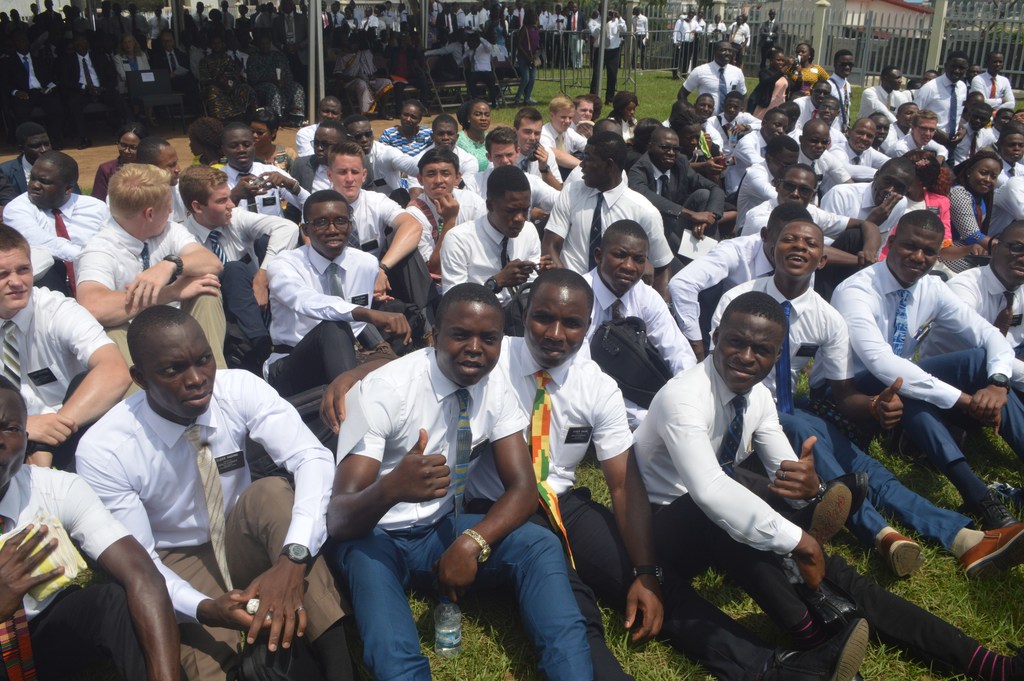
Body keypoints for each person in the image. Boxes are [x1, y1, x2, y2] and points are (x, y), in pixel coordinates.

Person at [714, 216, 1024, 577]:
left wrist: (874, 407)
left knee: (861, 463)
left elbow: (846, 395)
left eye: (811, 244)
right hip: (743, 414)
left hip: (794, 407)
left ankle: (962, 537)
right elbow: (720, 371)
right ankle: (880, 533)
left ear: (823, 259)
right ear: (771, 247)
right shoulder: (737, 301)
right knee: (803, 430)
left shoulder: (825, 316)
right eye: (790, 240)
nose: (799, 248)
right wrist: (966, 402)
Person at [327, 282, 593, 681]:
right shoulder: (386, 391)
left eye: (488, 338)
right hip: (374, 535)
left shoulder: (494, 386)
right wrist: (390, 489)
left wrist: (472, 543)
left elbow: (523, 488)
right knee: (388, 635)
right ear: (434, 335)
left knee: (538, 544)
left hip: (440, 527)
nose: (475, 348)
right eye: (460, 334)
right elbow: (339, 519)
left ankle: (571, 671)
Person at [76, 306, 353, 681]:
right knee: (207, 667)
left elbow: (312, 458)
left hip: (241, 530)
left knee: (271, 494)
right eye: (173, 370)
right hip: (175, 556)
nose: (197, 379)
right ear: (139, 378)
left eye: (204, 359)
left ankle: (339, 666)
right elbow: (141, 564)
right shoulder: (105, 449)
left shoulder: (237, 387)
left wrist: (293, 560)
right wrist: (206, 609)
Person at [832, 209, 1024, 530]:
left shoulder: (932, 288)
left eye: (930, 251)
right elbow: (880, 361)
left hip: (897, 381)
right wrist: (964, 400)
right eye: (910, 246)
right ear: (890, 242)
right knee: (910, 384)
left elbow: (989, 335)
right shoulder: (857, 290)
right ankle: (979, 497)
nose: (919, 257)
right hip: (849, 389)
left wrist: (998, 383)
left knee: (979, 364)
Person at [0, 375, 182, 680]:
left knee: (114, 601)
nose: (1, 440)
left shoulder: (53, 487)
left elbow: (142, 573)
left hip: (42, 640)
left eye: (11, 428)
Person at [0, 223, 130, 471]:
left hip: (67, 435)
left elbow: (115, 371)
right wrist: (24, 428)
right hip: (5, 438)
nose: (16, 282)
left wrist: (49, 433)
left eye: (23, 270)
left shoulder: (56, 309)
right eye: (2, 274)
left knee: (85, 380)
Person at [75, 163, 227, 370]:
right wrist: (169, 293)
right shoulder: (99, 250)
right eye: (168, 204)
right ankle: (139, 398)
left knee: (206, 290)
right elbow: (92, 307)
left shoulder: (167, 230)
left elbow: (211, 262)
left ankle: (214, 378)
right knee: (111, 329)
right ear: (149, 214)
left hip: (177, 327)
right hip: (133, 340)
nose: (172, 209)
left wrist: (171, 264)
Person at [265, 189, 411, 396]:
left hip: (344, 357)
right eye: (321, 222)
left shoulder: (365, 263)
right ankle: (350, 410)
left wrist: (379, 340)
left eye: (341, 221)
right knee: (332, 325)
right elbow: (306, 302)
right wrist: (368, 313)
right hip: (292, 362)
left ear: (350, 226)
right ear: (306, 229)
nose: (333, 229)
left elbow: (358, 326)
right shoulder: (284, 265)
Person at [179, 164, 299, 369]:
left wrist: (263, 275)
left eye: (228, 197)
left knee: (263, 253)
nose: (231, 205)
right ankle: (262, 347)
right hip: (219, 316)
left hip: (257, 304)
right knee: (232, 271)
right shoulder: (180, 237)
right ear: (198, 207)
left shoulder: (234, 218)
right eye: (221, 201)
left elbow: (287, 228)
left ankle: (264, 345)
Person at [542, 131, 672, 295]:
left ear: (609, 165)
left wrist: (659, 308)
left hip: (619, 298)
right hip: (570, 294)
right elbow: (550, 245)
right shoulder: (571, 192)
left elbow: (662, 267)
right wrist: (567, 287)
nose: (581, 165)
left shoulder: (644, 212)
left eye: (588, 159)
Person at [324, 141, 434, 310]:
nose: (349, 179)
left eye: (355, 172)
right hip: (334, 280)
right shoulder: (317, 206)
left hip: (377, 279)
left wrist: (381, 268)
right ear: (329, 175)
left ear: (364, 175)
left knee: (406, 249)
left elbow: (413, 226)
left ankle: (426, 317)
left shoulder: (376, 201)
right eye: (342, 172)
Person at [3, 151, 109, 297]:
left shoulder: (96, 208)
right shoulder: (18, 208)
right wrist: (87, 258)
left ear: (68, 188)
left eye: (44, 181)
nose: (34, 185)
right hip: (48, 290)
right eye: (32, 178)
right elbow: (40, 241)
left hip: (96, 282)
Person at [441, 165, 549, 302]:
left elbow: (531, 292)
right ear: (490, 206)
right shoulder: (459, 240)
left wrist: (545, 279)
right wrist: (495, 283)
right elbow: (453, 304)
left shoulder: (529, 231)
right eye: (511, 211)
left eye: (525, 210)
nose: (520, 218)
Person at [627, 123, 725, 247]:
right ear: (650, 147)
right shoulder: (639, 169)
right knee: (679, 259)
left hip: (675, 221)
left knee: (704, 194)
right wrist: (691, 214)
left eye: (676, 149)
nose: (671, 153)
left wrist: (709, 217)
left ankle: (711, 252)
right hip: (649, 226)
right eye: (664, 147)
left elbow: (714, 187)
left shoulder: (680, 162)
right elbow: (644, 194)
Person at [821, 156, 915, 252]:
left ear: (906, 191)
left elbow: (881, 242)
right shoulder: (841, 195)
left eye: (899, 188)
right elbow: (822, 245)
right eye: (887, 181)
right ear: (876, 175)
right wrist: (871, 223)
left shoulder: (900, 203)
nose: (890, 190)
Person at [221, 122, 308, 219]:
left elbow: (309, 204)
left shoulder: (270, 171)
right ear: (223, 150)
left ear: (254, 146)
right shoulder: (217, 181)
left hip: (276, 233)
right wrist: (233, 197)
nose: (241, 150)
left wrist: (291, 185)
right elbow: (208, 220)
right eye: (233, 146)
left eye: (246, 145)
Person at [59, 35, 128, 150]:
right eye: (78, 43)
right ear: (74, 45)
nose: (81, 45)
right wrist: (84, 86)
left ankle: (129, 130)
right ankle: (84, 138)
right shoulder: (67, 60)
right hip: (81, 91)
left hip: (101, 89)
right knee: (73, 103)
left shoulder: (100, 57)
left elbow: (112, 77)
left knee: (117, 98)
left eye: (83, 42)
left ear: (88, 44)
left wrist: (102, 88)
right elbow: (64, 81)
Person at [3, 33, 64, 149]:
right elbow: (5, 83)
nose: (23, 43)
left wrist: (48, 88)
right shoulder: (8, 62)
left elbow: (50, 78)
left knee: (55, 108)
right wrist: (16, 92)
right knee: (21, 112)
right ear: (15, 44)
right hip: (23, 94)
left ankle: (54, 141)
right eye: (19, 41)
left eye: (25, 41)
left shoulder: (39, 60)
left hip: (41, 92)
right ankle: (26, 145)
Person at [912, 50, 970, 148]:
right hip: (931, 142)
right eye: (953, 67)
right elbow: (914, 114)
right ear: (946, 65)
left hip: (953, 143)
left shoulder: (962, 87)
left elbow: (956, 114)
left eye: (961, 68)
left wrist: (962, 129)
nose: (957, 71)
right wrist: (935, 131)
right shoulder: (930, 88)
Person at [948, 150, 1002, 250]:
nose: (988, 179)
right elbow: (972, 236)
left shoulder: (983, 197)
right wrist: (1004, 247)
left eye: (993, 177)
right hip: (946, 250)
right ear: (969, 172)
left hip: (967, 247)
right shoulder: (959, 193)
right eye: (983, 173)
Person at [247, 33, 306, 125]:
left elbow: (288, 74)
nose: (265, 46)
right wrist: (272, 80)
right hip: (262, 86)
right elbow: (253, 78)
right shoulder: (253, 58)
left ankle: (296, 117)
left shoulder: (279, 56)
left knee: (297, 87)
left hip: (282, 83)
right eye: (262, 44)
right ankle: (277, 118)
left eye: (267, 43)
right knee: (272, 89)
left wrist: (284, 81)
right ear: (258, 45)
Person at [680, 41, 747, 116]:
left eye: (730, 51)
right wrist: (690, 112)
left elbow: (743, 96)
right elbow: (682, 94)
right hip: (705, 119)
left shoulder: (737, 72)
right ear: (715, 52)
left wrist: (741, 114)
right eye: (723, 50)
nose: (727, 53)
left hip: (728, 120)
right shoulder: (700, 71)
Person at [198, 34, 256, 120]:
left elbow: (234, 74)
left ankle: (249, 115)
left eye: (218, 43)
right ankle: (221, 119)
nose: (216, 45)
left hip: (229, 85)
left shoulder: (227, 59)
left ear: (222, 44)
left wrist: (230, 82)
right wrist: (219, 83)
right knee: (213, 90)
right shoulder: (204, 61)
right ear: (210, 45)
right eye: (214, 43)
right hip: (214, 86)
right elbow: (204, 79)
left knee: (246, 88)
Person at [92, 123, 148, 202]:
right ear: (117, 143)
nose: (126, 151)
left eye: (133, 147)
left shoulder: (151, 168)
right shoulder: (106, 169)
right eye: (123, 145)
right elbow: (98, 202)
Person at [543, 95, 588, 173]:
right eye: (563, 117)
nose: (567, 121)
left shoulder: (569, 132)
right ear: (551, 116)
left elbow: (587, 146)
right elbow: (557, 155)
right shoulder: (543, 134)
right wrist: (584, 166)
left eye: (570, 118)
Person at [589, 9, 626, 106]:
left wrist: (620, 17)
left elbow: (624, 29)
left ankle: (609, 98)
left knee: (612, 75)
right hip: (600, 50)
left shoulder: (617, 21)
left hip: (613, 50)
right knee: (596, 75)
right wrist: (604, 23)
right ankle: (593, 98)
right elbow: (594, 34)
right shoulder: (594, 21)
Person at [751, 48, 790, 119]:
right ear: (771, 61)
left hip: (780, 105)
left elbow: (793, 87)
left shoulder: (785, 75)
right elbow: (769, 82)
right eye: (778, 60)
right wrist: (785, 67)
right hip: (767, 105)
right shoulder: (764, 73)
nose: (781, 62)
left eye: (783, 61)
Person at [456, 99, 492, 172]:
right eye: (478, 114)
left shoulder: (491, 138)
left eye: (487, 115)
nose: (483, 118)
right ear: (468, 118)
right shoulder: (458, 140)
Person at [827, 49, 855, 132]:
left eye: (850, 64)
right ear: (835, 64)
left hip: (843, 130)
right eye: (843, 64)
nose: (847, 67)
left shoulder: (847, 85)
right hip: (831, 130)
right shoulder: (828, 86)